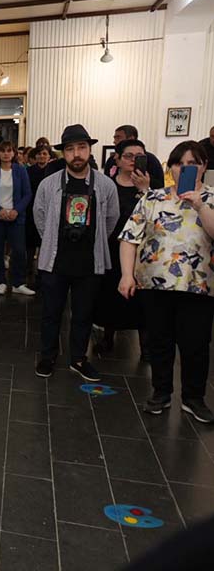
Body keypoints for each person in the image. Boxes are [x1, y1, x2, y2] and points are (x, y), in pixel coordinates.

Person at [119, 141, 214, 422]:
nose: (185, 168)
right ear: (170, 168)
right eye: (179, 163)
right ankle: (161, 392)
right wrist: (127, 274)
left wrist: (199, 204)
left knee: (196, 344)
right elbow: (129, 238)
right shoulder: (153, 198)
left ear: (204, 166)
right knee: (159, 341)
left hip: (198, 286)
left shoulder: (210, 197)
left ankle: (193, 398)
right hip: (155, 284)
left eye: (193, 163)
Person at [33, 125, 119, 381]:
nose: (76, 154)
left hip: (89, 262)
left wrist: (96, 241)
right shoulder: (49, 184)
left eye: (82, 147)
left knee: (83, 314)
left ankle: (79, 359)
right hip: (55, 260)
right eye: (70, 149)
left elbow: (111, 219)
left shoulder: (105, 185)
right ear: (63, 154)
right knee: (51, 313)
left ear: (89, 149)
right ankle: (47, 356)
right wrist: (51, 239)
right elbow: (39, 216)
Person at [92, 139, 150, 356]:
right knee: (110, 295)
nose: (133, 160)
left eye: (139, 156)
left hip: (142, 252)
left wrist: (145, 189)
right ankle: (108, 338)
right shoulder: (108, 185)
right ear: (117, 159)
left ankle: (146, 346)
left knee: (142, 300)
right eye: (128, 156)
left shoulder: (151, 187)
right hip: (111, 248)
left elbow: (156, 218)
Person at [0, 141, 35, 296]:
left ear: (14, 153)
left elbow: (27, 194)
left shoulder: (21, 170)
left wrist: (17, 210)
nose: (6, 154)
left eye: (9, 150)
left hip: (16, 217)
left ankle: (18, 283)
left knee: (19, 250)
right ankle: (1, 281)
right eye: (3, 151)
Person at [26, 145, 53, 282]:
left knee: (44, 243)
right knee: (30, 243)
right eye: (39, 154)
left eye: (44, 154)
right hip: (30, 209)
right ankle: (28, 269)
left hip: (48, 211)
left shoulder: (53, 172)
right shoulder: (29, 171)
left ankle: (42, 272)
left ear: (49, 156)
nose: (42, 156)